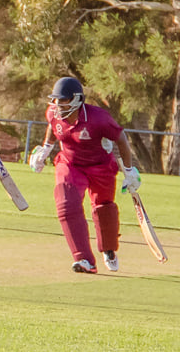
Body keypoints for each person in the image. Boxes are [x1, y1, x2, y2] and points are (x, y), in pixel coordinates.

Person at [29, 76, 143, 274]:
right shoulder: (54, 113)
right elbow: (52, 127)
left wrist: (129, 170)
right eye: (56, 101)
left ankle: (108, 249)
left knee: (103, 208)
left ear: (76, 100)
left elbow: (121, 139)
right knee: (66, 203)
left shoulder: (99, 118)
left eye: (63, 101)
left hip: (101, 166)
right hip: (70, 164)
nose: (58, 106)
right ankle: (84, 259)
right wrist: (45, 149)